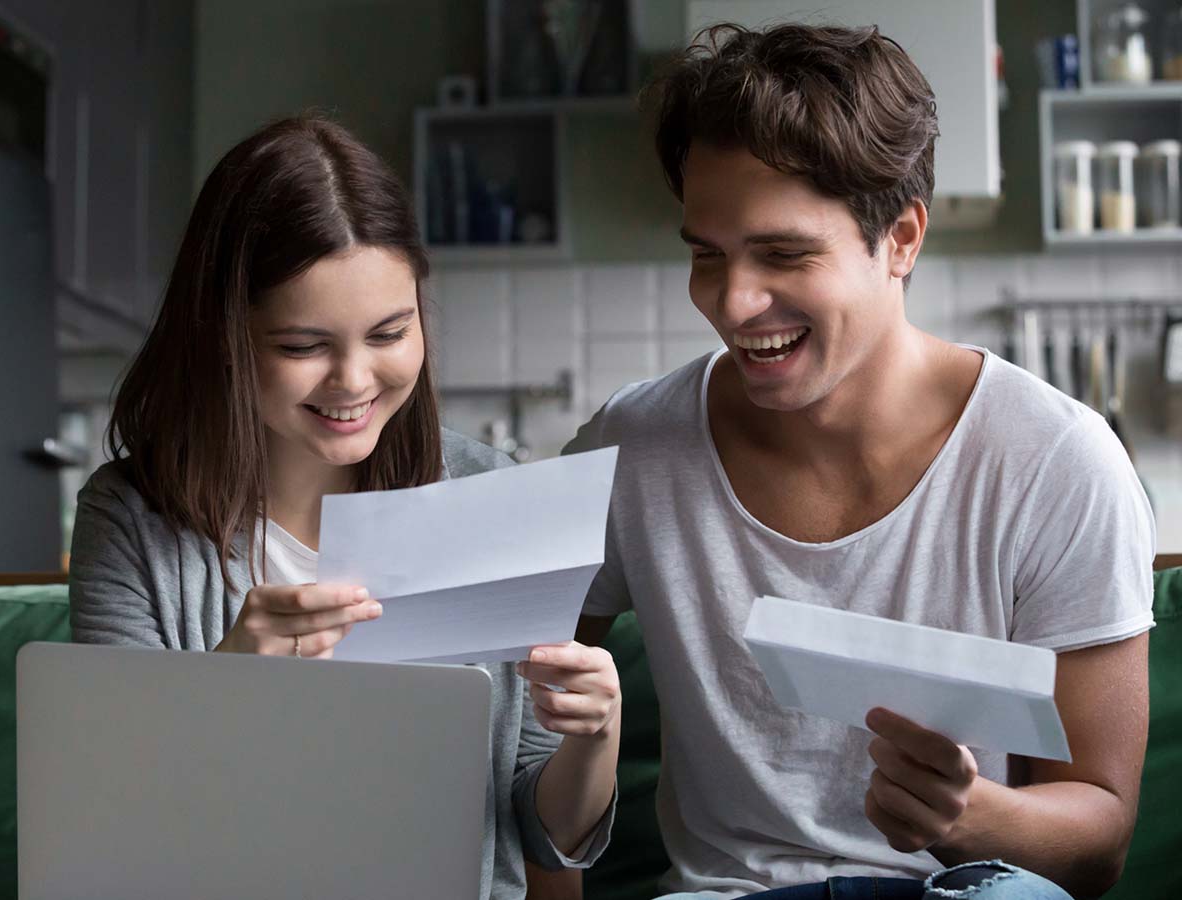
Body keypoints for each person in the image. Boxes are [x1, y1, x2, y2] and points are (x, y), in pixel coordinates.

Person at [569, 22, 1154, 900]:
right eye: (707, 256)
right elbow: (498, 680)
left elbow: (1099, 836)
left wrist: (969, 817)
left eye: (784, 253)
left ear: (903, 239)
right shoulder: (637, 445)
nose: (733, 303)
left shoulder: (1058, 463)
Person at [69, 115, 619, 900]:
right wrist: (220, 694)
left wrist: (595, 738)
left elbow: (538, 833)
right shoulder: (130, 522)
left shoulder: (484, 491)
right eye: (302, 347)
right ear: (224, 336)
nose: (355, 380)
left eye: (390, 332)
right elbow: (106, 823)